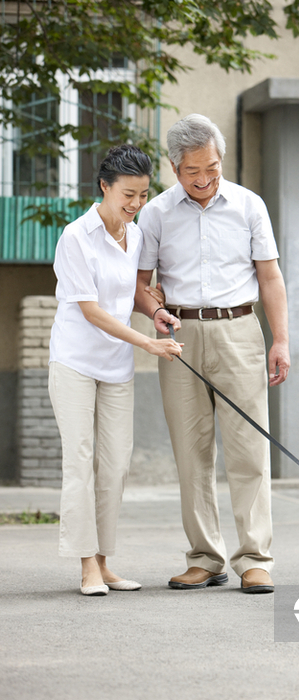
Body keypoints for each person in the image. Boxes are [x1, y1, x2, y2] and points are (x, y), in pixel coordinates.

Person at [135, 114, 290, 594]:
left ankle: (255, 559)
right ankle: (205, 557)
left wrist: (280, 339)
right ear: (174, 168)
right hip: (178, 336)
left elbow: (269, 278)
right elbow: (140, 285)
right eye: (192, 172)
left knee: (249, 450)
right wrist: (152, 311)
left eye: (213, 168)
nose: (204, 180)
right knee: (191, 453)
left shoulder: (249, 206)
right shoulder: (156, 213)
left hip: (239, 331)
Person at [48, 144, 182, 596]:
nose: (136, 204)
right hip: (75, 363)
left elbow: (134, 294)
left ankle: (105, 562)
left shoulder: (136, 234)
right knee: (80, 462)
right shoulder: (76, 237)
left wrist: (154, 314)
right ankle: (86, 565)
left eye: (143, 195)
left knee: (116, 465)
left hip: (116, 365)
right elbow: (91, 309)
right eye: (128, 194)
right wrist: (147, 341)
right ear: (104, 187)